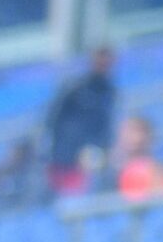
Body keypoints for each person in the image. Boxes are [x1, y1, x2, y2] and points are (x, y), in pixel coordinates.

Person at [42, 47, 117, 194]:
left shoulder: (109, 91)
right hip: (65, 150)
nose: (104, 65)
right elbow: (54, 115)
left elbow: (105, 124)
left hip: (88, 151)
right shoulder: (76, 86)